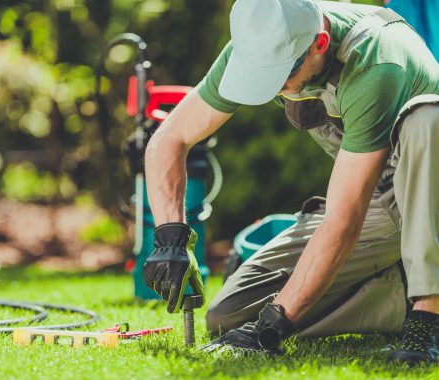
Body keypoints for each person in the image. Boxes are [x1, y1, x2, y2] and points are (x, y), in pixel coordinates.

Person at [142, 0, 438, 363]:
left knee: (428, 119)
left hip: (427, 198)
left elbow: (344, 221)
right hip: (379, 201)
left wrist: (277, 322)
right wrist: (169, 236)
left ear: (320, 43)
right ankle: (405, 287)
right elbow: (168, 139)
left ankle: (428, 315)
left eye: (282, 73)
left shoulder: (377, 62)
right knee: (230, 314)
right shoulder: (259, 40)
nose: (275, 87)